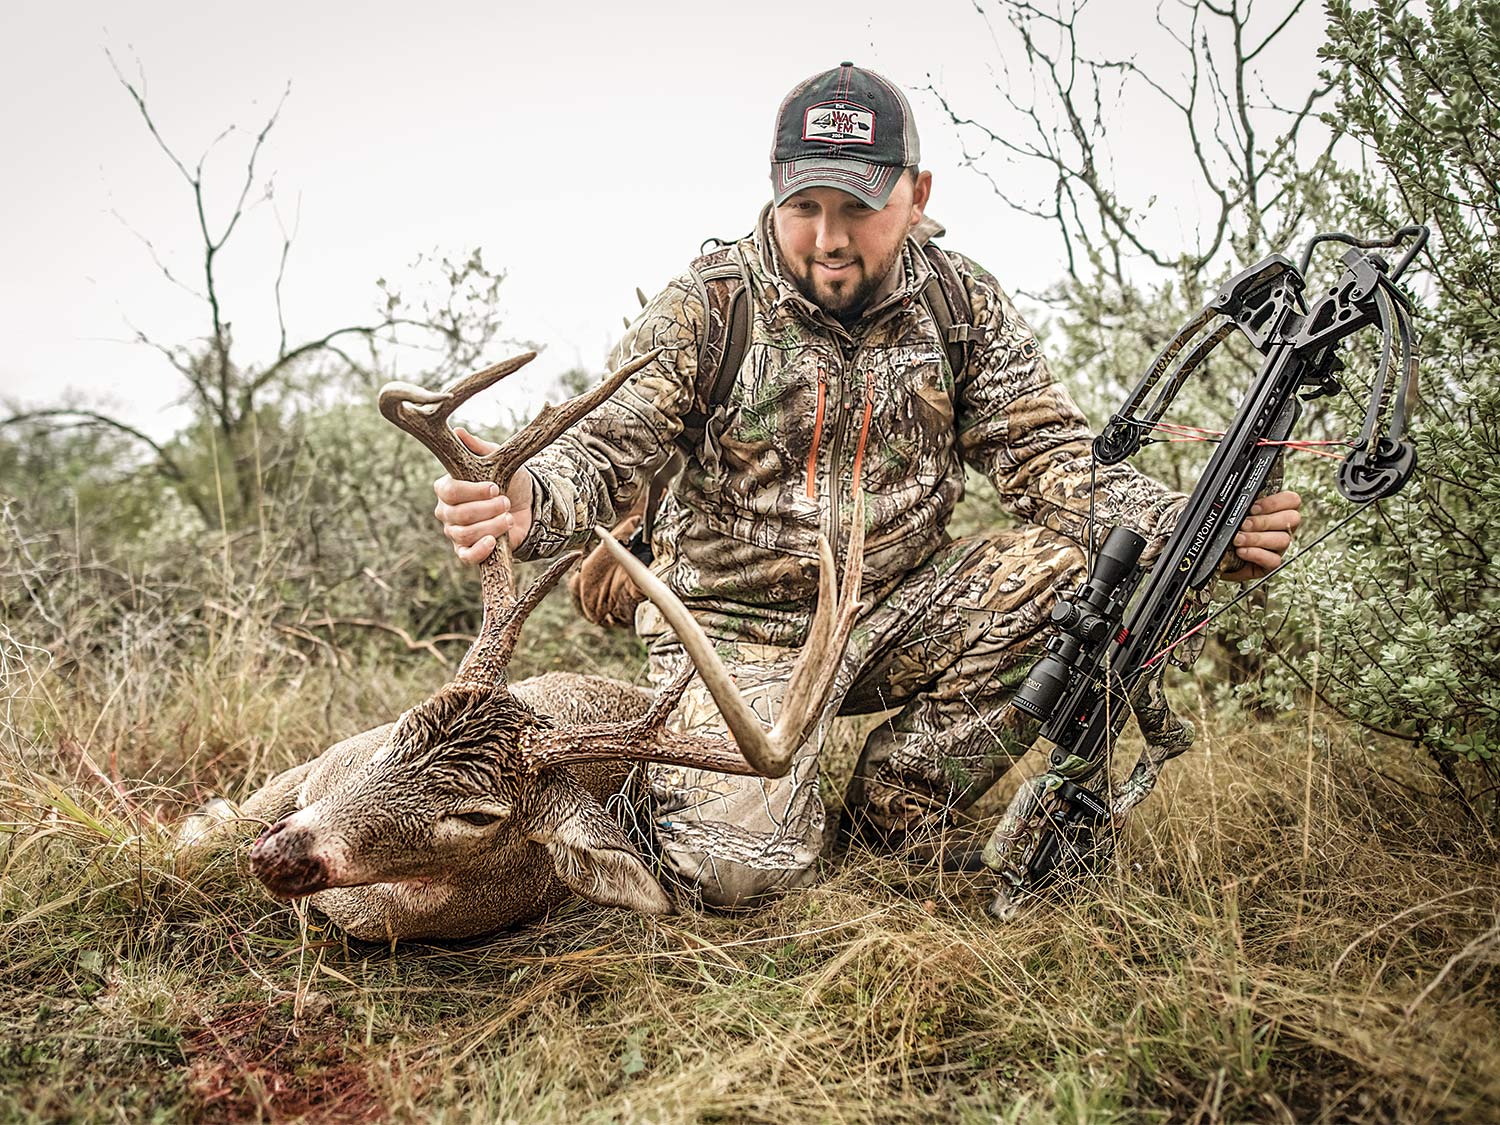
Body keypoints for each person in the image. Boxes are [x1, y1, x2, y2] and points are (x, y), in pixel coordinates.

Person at [432, 63, 1302, 910]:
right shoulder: (711, 304)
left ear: (916, 195)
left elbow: (1047, 454)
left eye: (859, 207)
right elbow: (610, 441)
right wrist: (527, 499)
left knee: (1095, 571)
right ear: (774, 192)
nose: (829, 238)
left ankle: (901, 801)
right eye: (804, 207)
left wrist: (1193, 527)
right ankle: (712, 799)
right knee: (738, 875)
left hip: (902, 608)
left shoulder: (962, 304)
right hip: (742, 631)